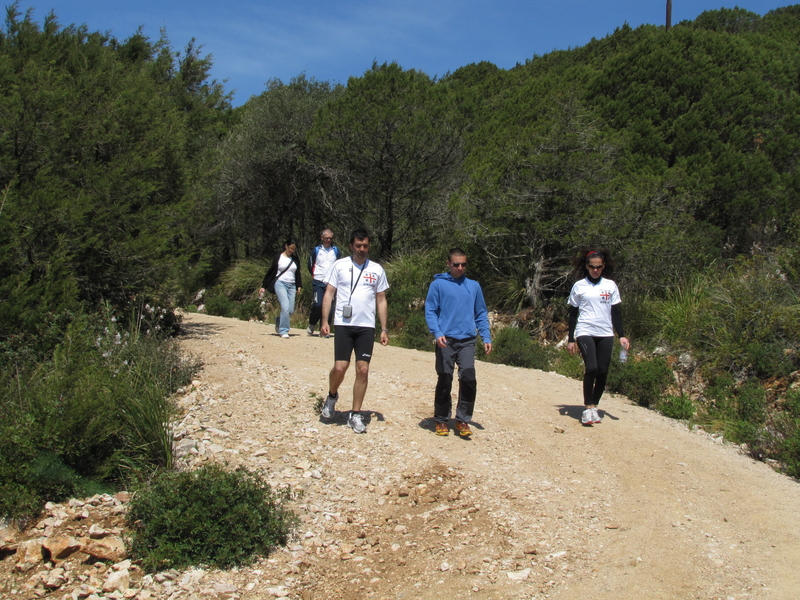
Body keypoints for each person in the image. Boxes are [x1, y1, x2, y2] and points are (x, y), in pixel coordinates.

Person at [319, 229, 389, 434]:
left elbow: (381, 299)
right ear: (351, 246)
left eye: (365, 246)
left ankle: (356, 414)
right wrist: (325, 320)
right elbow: (329, 293)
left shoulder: (376, 269)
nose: (362, 250)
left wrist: (384, 328)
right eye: (358, 246)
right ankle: (332, 396)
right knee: (340, 367)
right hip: (343, 324)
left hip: (366, 326)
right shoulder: (339, 265)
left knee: (363, 369)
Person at [424, 248, 492, 437]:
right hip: (446, 340)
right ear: (448, 264)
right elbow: (430, 311)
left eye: (464, 264)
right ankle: (441, 419)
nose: (460, 268)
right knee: (445, 378)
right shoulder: (438, 285)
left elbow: (480, 313)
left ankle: (463, 420)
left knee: (469, 379)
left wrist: (486, 337)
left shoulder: (474, 286)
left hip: (467, 340)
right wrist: (437, 333)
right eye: (456, 264)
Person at [566, 249, 630, 426]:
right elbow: (572, 314)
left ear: (604, 266)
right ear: (586, 266)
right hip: (585, 331)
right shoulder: (579, 286)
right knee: (592, 367)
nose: (595, 270)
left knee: (603, 370)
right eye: (592, 267)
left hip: (606, 333)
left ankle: (594, 406)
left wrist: (622, 336)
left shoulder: (610, 286)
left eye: (599, 267)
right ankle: (588, 407)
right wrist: (571, 339)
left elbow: (616, 313)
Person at [260, 239, 302, 339]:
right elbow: (271, 272)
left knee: (290, 310)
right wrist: (264, 286)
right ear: (286, 246)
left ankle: (279, 320)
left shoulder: (295, 259)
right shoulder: (279, 257)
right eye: (290, 248)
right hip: (280, 283)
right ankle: (283, 330)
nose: (291, 250)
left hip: (292, 285)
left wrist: (299, 285)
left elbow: (297, 273)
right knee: (285, 307)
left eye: (294, 249)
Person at [307, 228, 342, 336]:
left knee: (329, 308)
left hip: (331, 283)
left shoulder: (336, 250)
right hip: (318, 281)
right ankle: (312, 323)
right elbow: (310, 264)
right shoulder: (317, 250)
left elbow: (339, 265)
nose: (328, 240)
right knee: (318, 305)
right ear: (322, 238)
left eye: (330, 238)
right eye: (326, 238)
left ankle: (325, 329)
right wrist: (314, 274)